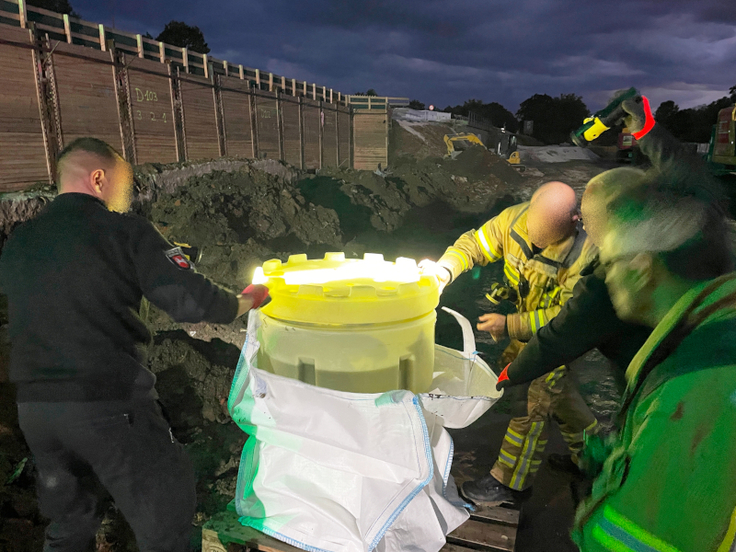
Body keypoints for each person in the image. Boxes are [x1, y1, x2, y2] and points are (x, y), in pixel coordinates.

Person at [0, 137, 269, 552]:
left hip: (37, 413)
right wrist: (247, 299)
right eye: (126, 184)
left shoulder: (20, 243)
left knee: (69, 524)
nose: (130, 195)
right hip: (109, 404)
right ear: (98, 178)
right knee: (165, 514)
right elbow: (191, 300)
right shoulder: (124, 232)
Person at [492, 96, 690, 474]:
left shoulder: (608, 280)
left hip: (662, 378)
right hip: (691, 351)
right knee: (563, 394)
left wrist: (509, 374)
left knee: (650, 442)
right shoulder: (678, 224)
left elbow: (560, 334)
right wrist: (647, 129)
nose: (581, 224)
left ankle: (526, 485)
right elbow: (686, 173)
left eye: (589, 223)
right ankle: (591, 458)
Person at [572, 160, 736, 551]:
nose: (604, 277)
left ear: (641, 269)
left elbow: (642, 540)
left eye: (607, 263)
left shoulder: (696, 385)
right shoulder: (707, 334)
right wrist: (624, 460)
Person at [427, 181, 598, 505]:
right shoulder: (513, 220)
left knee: (531, 403)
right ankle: (593, 456)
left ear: (572, 223)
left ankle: (510, 482)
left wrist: (510, 324)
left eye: (544, 239)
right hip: (527, 329)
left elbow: (567, 316)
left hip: (559, 340)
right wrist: (445, 271)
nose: (533, 242)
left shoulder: (585, 257)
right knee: (561, 399)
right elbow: (475, 245)